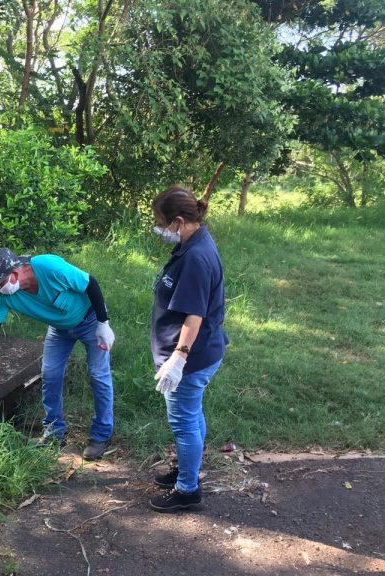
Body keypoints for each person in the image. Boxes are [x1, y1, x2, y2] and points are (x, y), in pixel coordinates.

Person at [0, 248, 116, 460]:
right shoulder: (6, 298)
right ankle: (54, 433)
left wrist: (103, 323)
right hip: (59, 328)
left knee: (98, 374)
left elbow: (90, 282)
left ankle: (101, 435)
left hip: (90, 321)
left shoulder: (48, 266)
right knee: (50, 374)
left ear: (14, 274)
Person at [148, 186, 228, 513]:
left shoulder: (195, 257)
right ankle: (188, 469)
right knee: (192, 417)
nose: (160, 228)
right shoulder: (193, 244)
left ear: (179, 221)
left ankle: (187, 490)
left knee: (183, 422)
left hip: (191, 359)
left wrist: (178, 359)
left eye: (162, 222)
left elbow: (194, 316)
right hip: (202, 352)